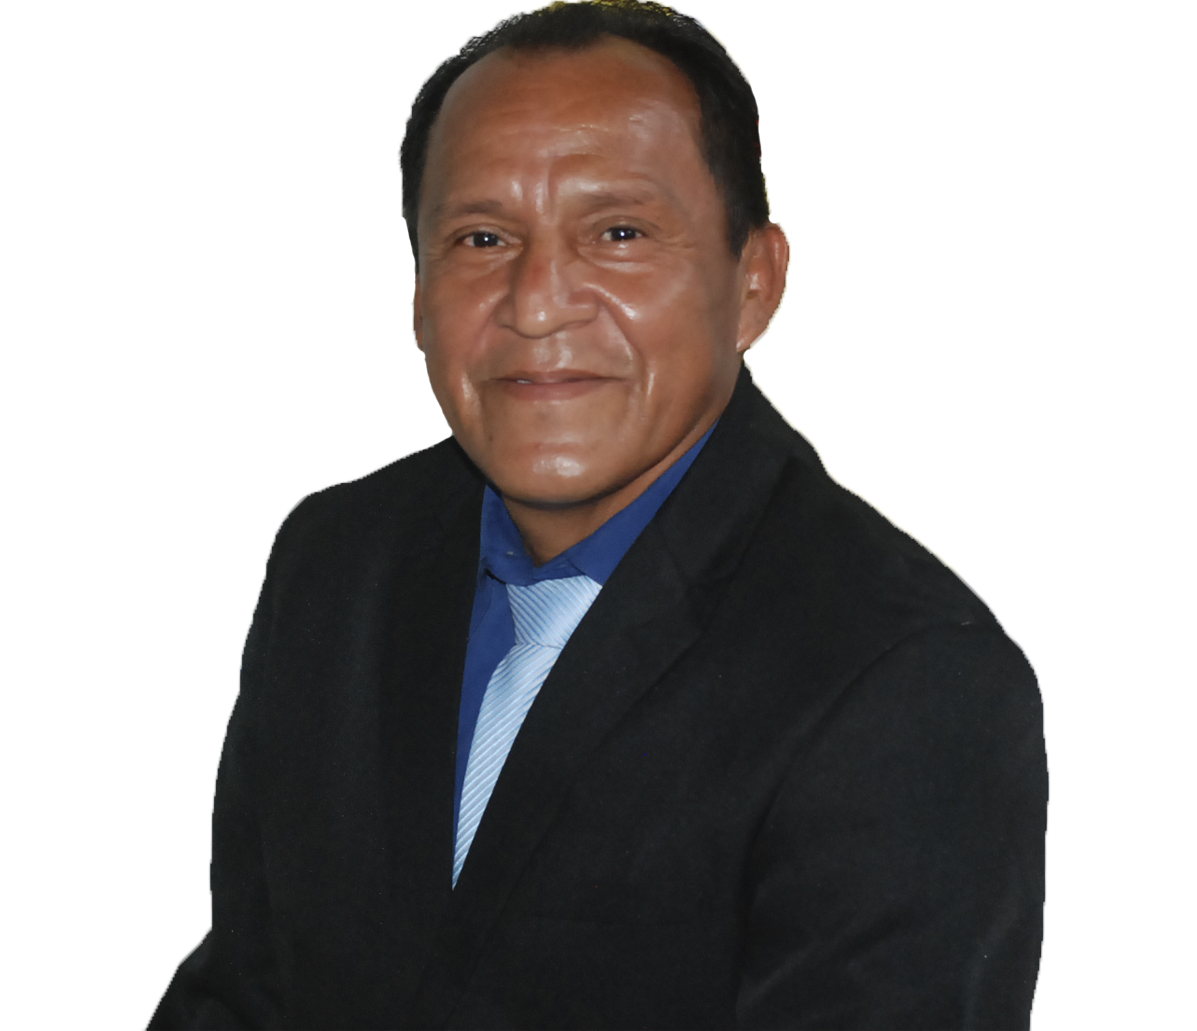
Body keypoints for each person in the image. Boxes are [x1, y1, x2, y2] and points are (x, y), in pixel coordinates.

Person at [151, 2, 1047, 1027]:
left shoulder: (902, 678)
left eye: (618, 233)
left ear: (754, 282)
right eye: (481, 238)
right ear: (418, 291)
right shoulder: (340, 563)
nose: (537, 302)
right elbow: (247, 991)